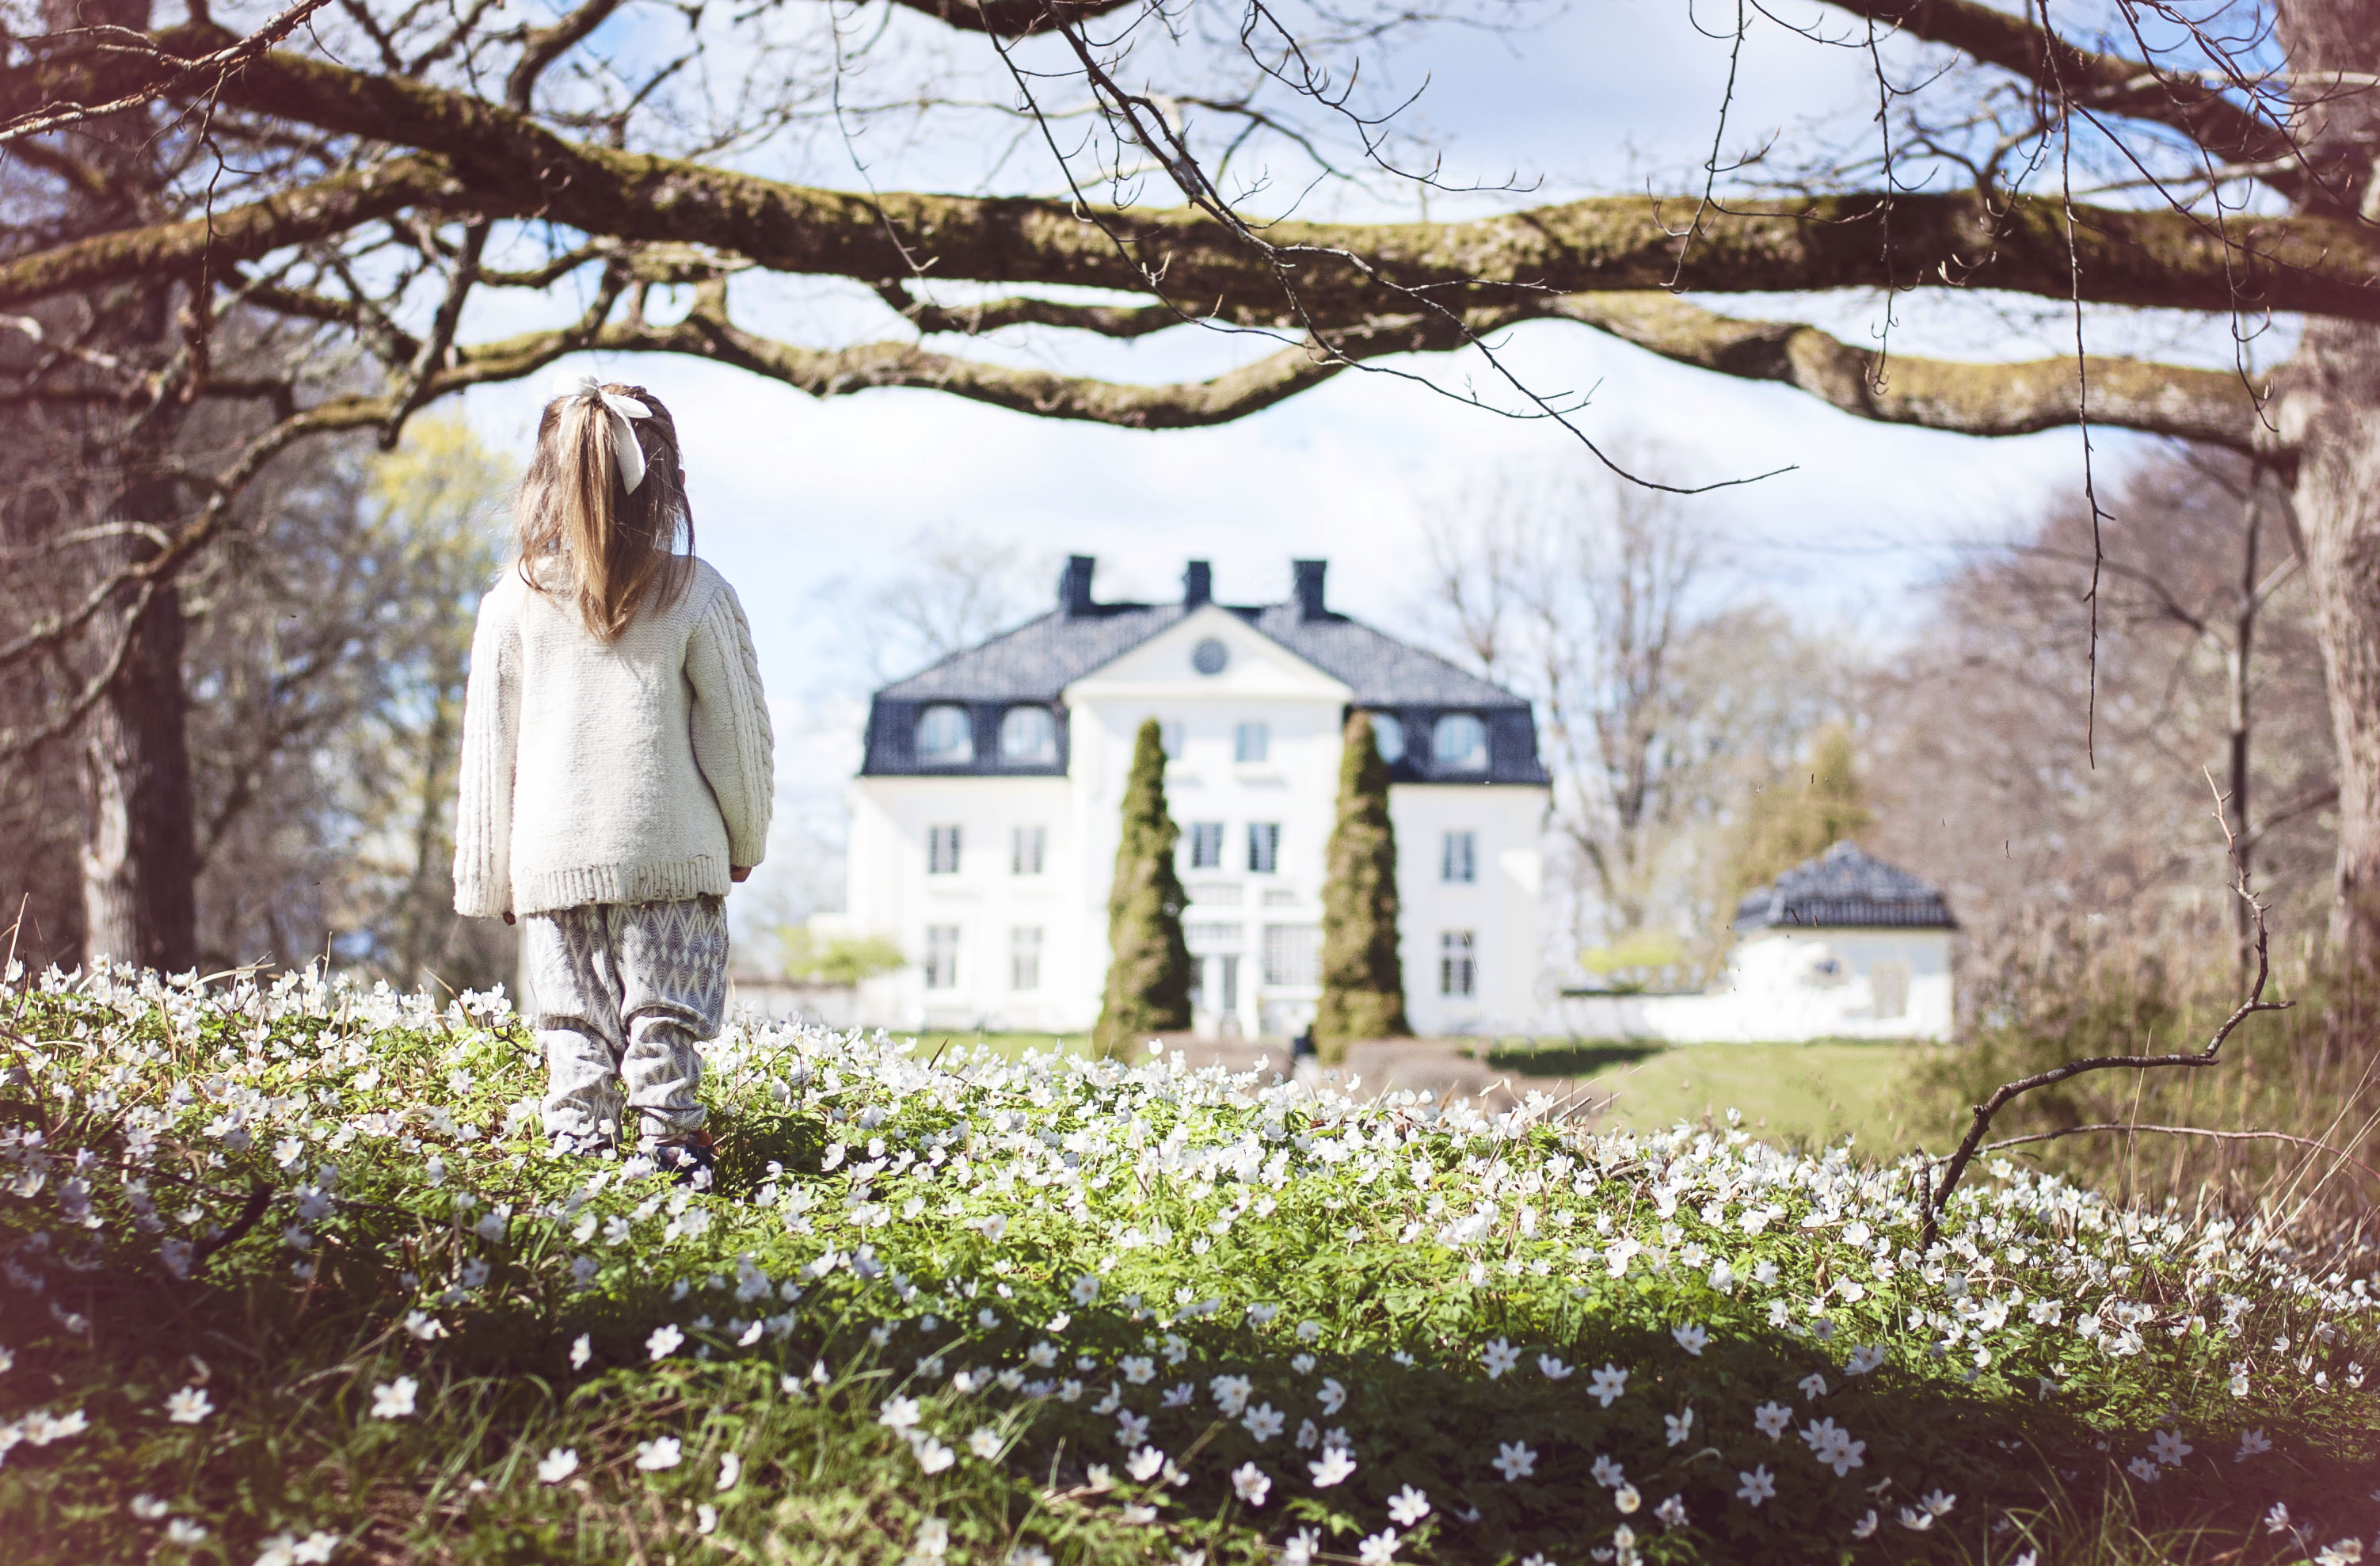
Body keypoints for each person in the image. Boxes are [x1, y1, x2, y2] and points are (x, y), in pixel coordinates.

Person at [452, 377, 773, 1186]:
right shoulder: (697, 593)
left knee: (575, 1048)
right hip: (672, 862)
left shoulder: (510, 605)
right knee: (665, 1046)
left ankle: (580, 1212)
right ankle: (675, 1193)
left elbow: (490, 757)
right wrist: (744, 840)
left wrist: (486, 882)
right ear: (671, 485)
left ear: (542, 482)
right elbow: (736, 741)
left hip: (552, 871)